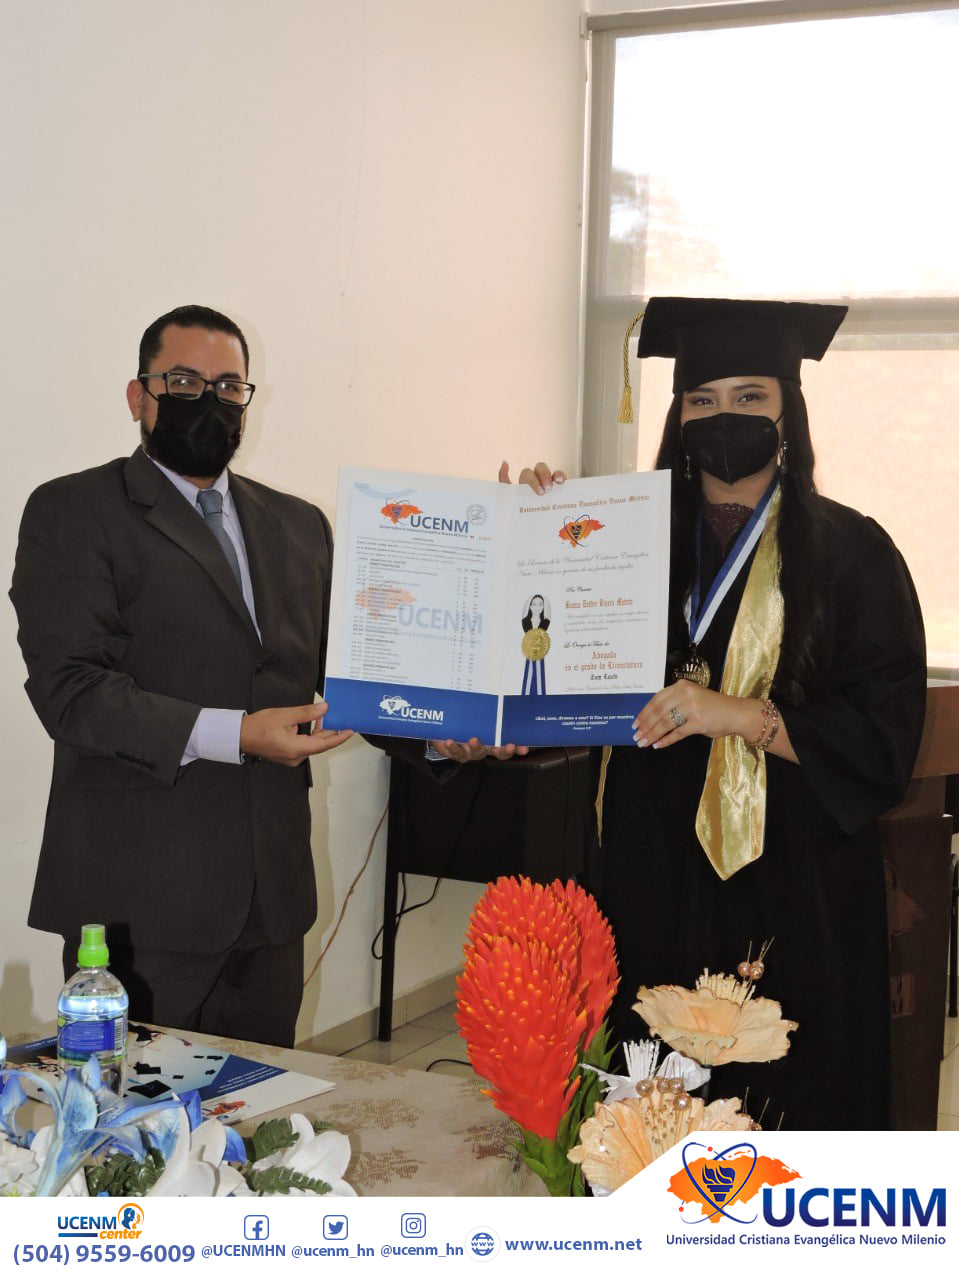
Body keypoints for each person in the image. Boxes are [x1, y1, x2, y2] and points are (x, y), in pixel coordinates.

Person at [508, 297, 926, 1130]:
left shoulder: (851, 550)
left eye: (749, 397)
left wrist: (738, 715)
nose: (723, 416)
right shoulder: (622, 541)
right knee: (645, 1100)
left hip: (794, 871)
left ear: (787, 412)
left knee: (790, 1100)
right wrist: (539, 532)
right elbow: (544, 673)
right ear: (676, 418)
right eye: (701, 399)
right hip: (650, 857)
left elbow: (882, 738)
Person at [10, 305, 354, 1047]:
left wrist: (451, 731)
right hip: (139, 904)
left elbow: (347, 673)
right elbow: (70, 690)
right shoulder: (73, 510)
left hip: (271, 899)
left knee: (265, 1106)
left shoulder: (300, 525)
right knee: (132, 1115)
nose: (210, 400)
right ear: (139, 396)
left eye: (229, 386)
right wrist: (238, 734)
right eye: (185, 381)